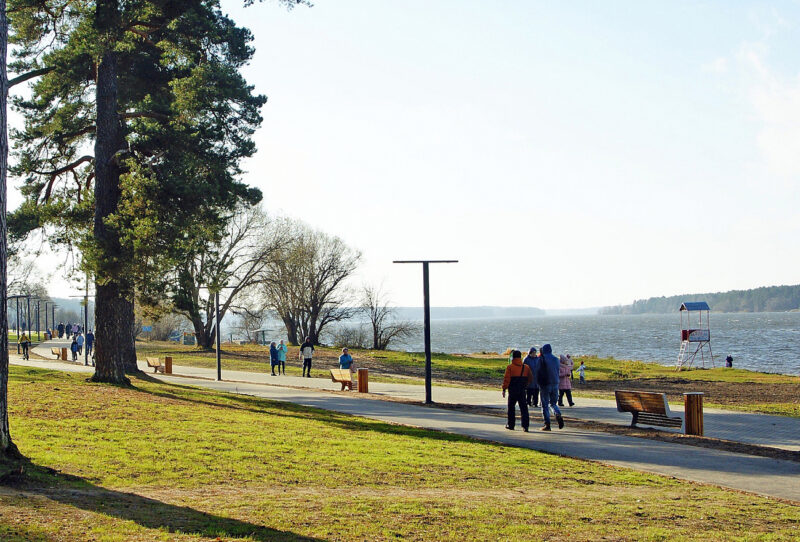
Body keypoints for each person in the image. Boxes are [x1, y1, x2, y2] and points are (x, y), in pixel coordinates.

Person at [502, 349, 533, 432]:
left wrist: (504, 388)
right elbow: (530, 378)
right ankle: (525, 426)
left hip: (512, 390)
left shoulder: (510, 367)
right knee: (524, 408)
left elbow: (507, 379)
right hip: (522, 390)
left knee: (511, 407)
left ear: (513, 357)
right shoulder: (526, 367)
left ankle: (511, 424)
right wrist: (526, 384)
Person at [536, 344, 564, 431]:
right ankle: (557, 413)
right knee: (553, 403)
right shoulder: (556, 359)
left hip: (545, 384)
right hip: (555, 383)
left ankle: (547, 424)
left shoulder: (541, 359)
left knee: (544, 404)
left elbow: (537, 370)